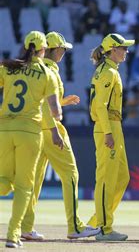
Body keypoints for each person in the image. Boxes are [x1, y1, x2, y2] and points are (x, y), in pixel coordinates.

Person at [20, 32, 101, 241]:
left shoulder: (33, 69)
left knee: (34, 181)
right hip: (51, 130)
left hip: (35, 130)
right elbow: (48, 109)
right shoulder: (51, 72)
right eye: (63, 49)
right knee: (70, 175)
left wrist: (62, 101)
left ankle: (26, 227)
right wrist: (55, 129)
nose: (64, 53)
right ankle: (74, 226)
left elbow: (38, 101)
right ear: (54, 50)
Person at [0, 31, 63, 248]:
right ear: (43, 50)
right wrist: (59, 113)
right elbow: (55, 112)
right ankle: (13, 235)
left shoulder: (8, 67)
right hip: (29, 132)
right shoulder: (47, 73)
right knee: (24, 186)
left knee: (3, 182)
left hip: (4, 130)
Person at [87, 33, 135, 241]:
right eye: (123, 48)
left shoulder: (108, 71)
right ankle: (104, 228)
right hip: (109, 126)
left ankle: (98, 220)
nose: (126, 51)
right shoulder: (108, 73)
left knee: (122, 177)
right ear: (112, 50)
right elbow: (100, 106)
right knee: (106, 179)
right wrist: (107, 132)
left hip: (114, 126)